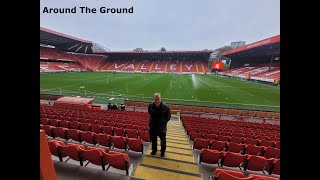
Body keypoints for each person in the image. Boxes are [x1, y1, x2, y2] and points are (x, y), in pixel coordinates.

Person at [148, 93, 171, 157]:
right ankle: (154, 150)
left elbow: (168, 117)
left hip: (161, 128)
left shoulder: (166, 107)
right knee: (153, 140)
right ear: (153, 99)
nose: (157, 101)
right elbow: (149, 113)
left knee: (163, 141)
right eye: (156, 99)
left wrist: (162, 123)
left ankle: (162, 152)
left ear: (160, 99)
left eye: (158, 99)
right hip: (153, 127)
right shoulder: (150, 106)